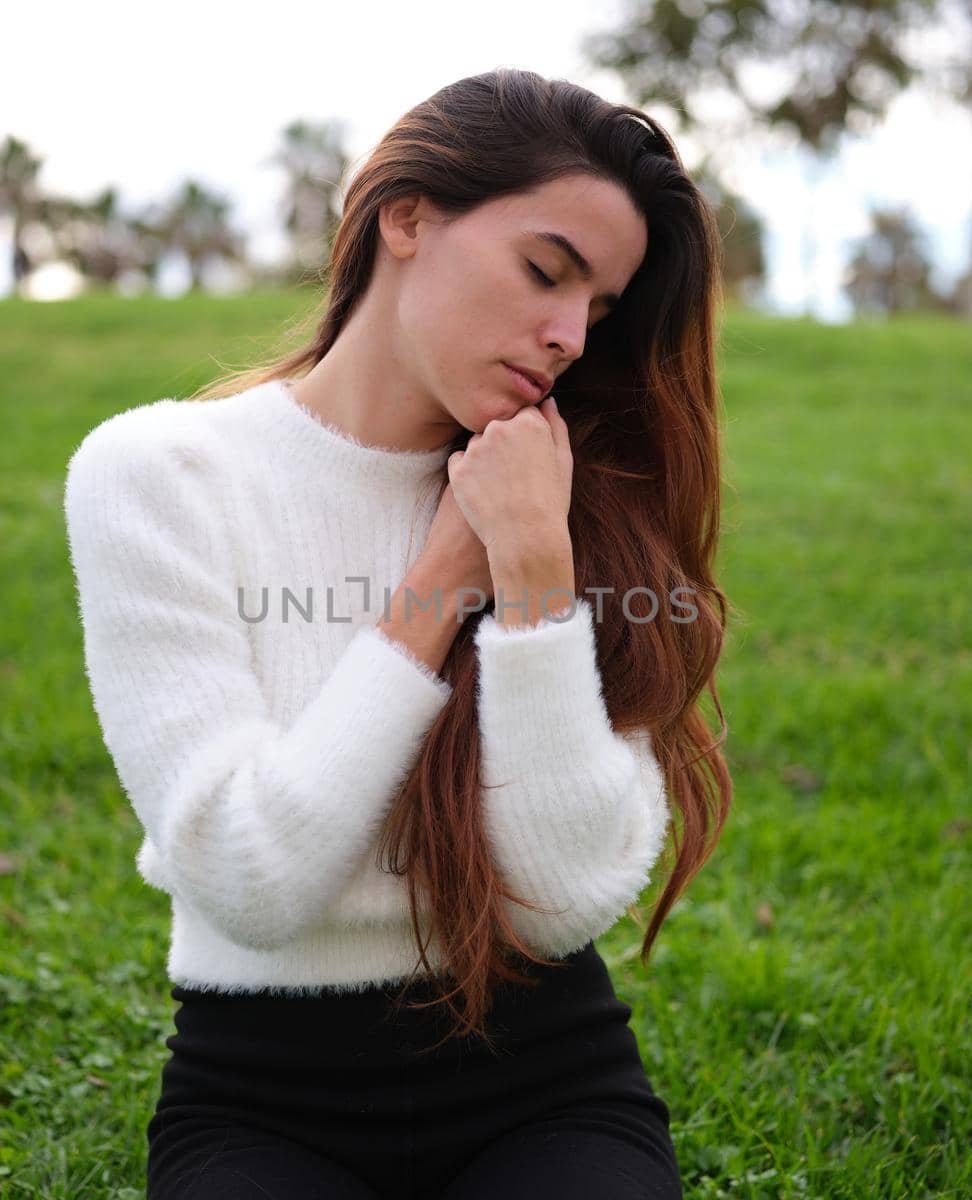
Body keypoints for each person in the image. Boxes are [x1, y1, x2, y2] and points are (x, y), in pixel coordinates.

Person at [63, 67, 735, 1200]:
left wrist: (531, 572)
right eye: (545, 271)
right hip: (262, 1094)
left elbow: (563, 897)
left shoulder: (572, 492)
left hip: (547, 1076)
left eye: (600, 310)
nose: (569, 334)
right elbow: (250, 879)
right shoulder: (162, 473)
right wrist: (438, 582)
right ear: (407, 217)